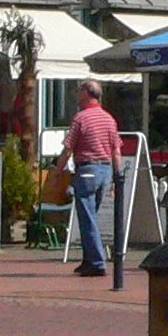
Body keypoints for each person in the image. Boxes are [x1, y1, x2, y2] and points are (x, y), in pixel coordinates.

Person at [62, 78, 118, 276]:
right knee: (89, 215)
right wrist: (115, 177)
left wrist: (56, 171)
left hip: (87, 169)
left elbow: (68, 148)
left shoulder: (81, 118)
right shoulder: (109, 119)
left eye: (79, 90)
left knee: (87, 218)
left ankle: (97, 261)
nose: (76, 94)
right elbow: (116, 150)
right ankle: (88, 260)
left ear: (86, 92)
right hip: (104, 170)